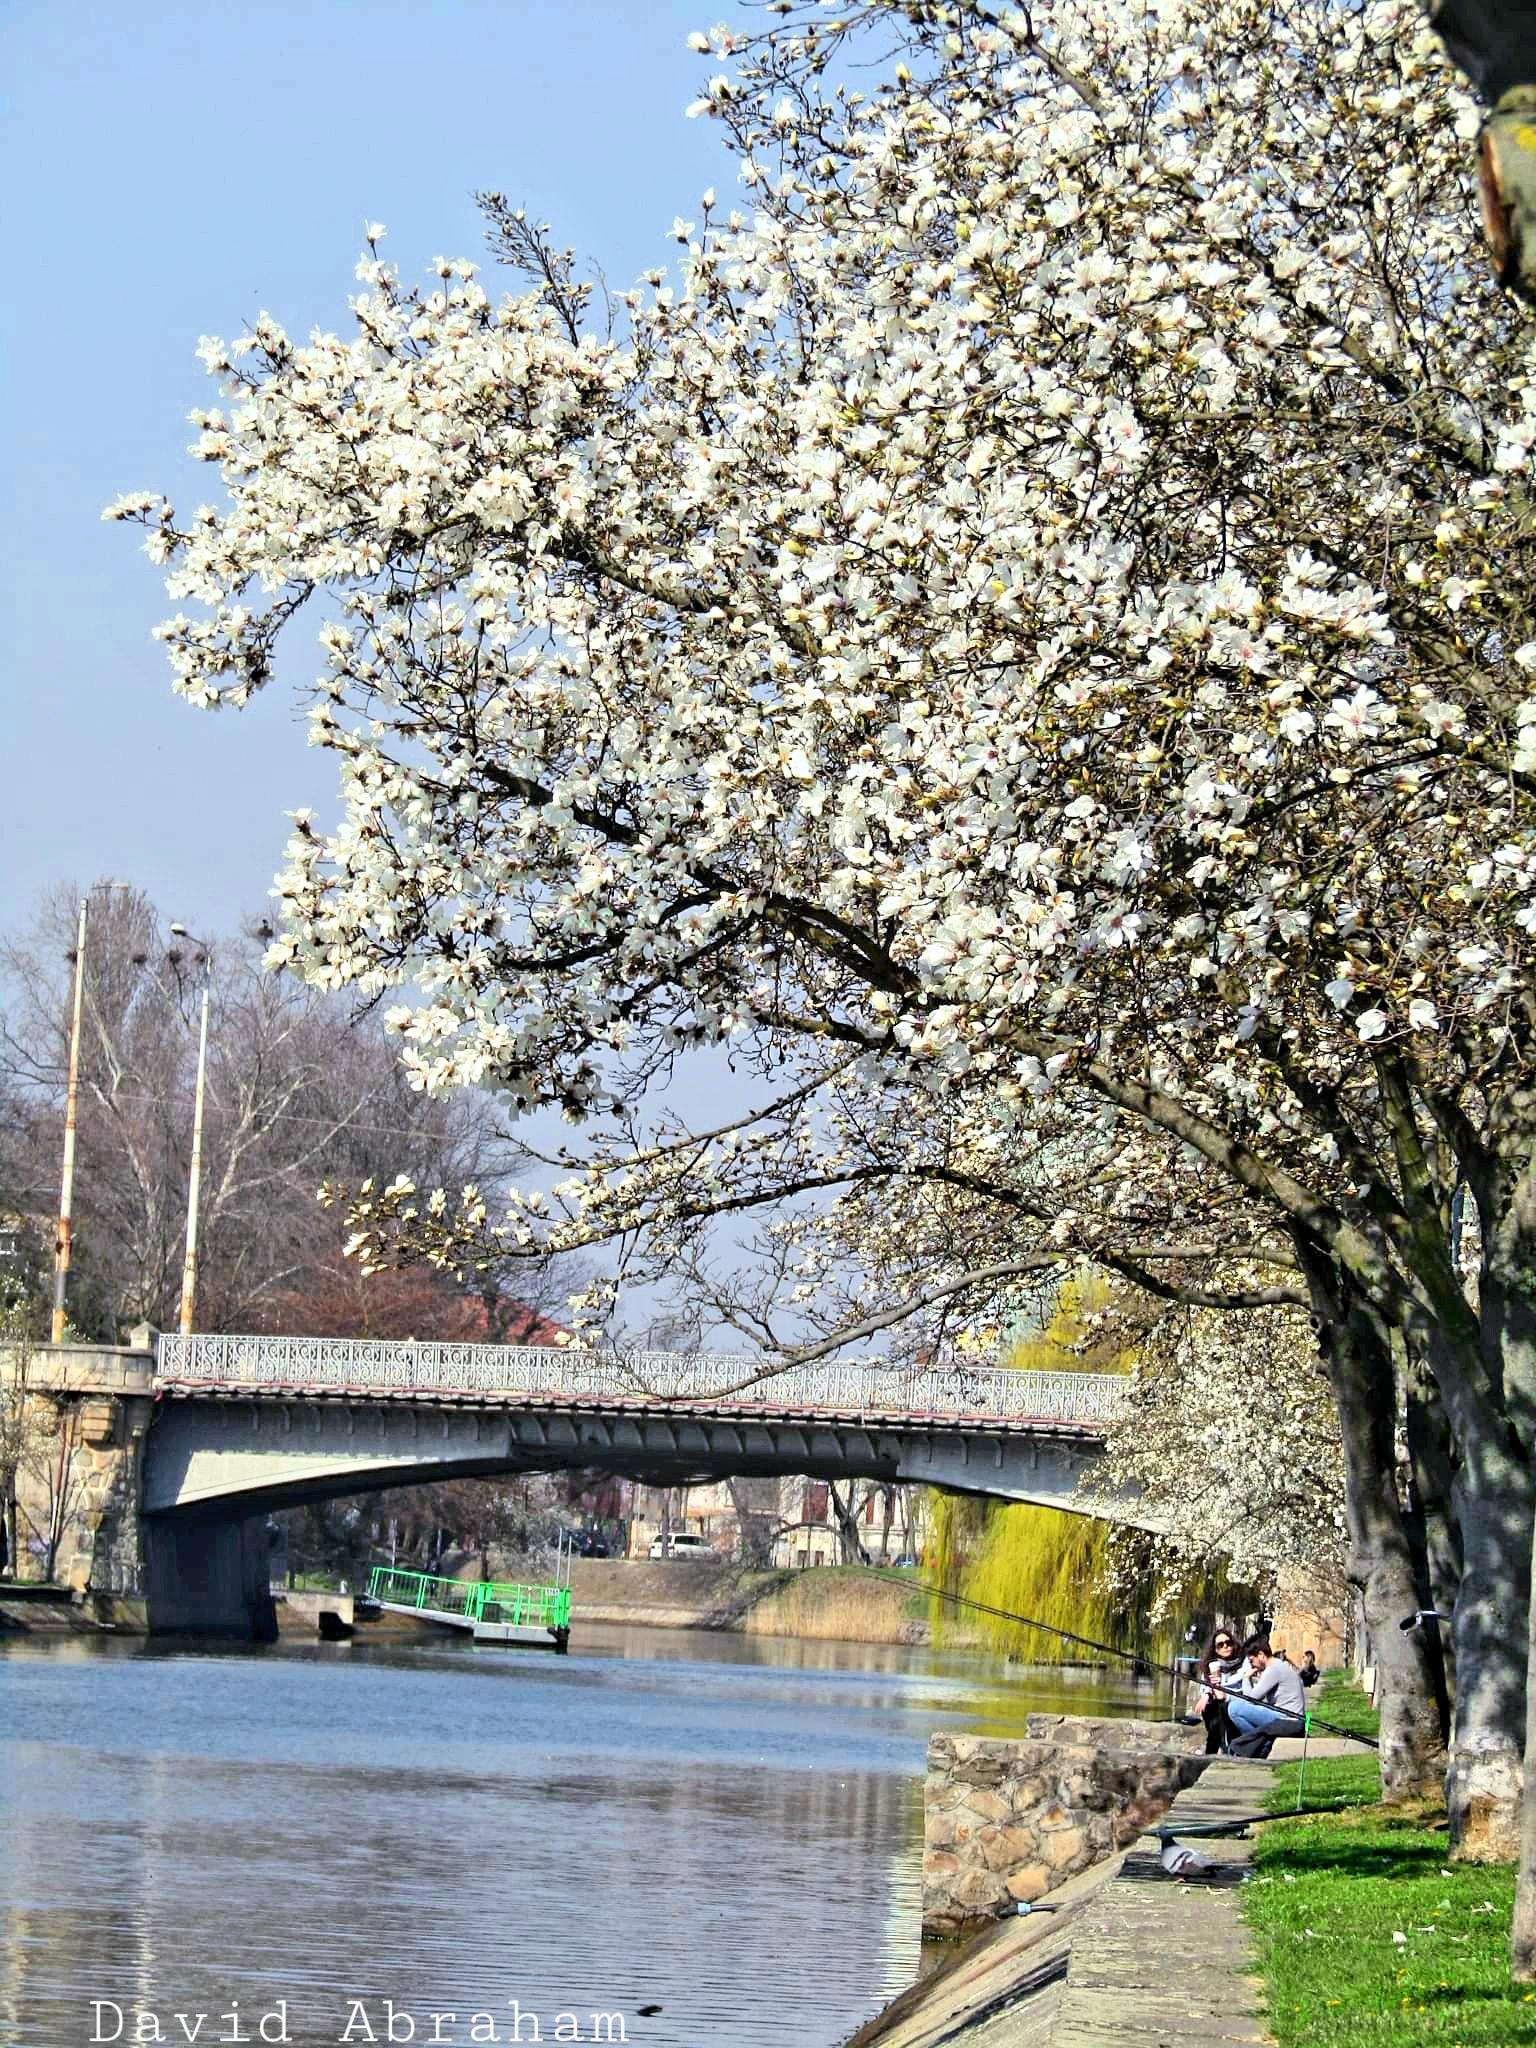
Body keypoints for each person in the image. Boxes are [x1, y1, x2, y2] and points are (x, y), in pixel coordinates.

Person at [1222, 1635, 1307, 1755]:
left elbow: (1251, 1699)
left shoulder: (1273, 1669)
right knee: (1237, 1706)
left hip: (1288, 1721)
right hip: (1290, 1719)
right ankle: (1259, 1744)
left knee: (1234, 1708)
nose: (1252, 1665)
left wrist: (1246, 1678)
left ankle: (1260, 1746)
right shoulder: (1278, 1666)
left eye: (1252, 1660)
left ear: (1261, 1655)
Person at [1185, 1627, 1247, 1756]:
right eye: (1220, 1645)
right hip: (1217, 1706)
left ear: (1233, 1644)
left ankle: (1217, 1751)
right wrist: (1209, 1692)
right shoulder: (1210, 1666)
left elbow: (1238, 1685)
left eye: (1228, 1643)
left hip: (1237, 1702)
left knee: (1219, 1714)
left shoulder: (1244, 1662)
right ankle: (1214, 1751)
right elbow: (1205, 1688)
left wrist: (1216, 1687)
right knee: (1212, 1711)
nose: (1225, 1646)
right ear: (1215, 1649)